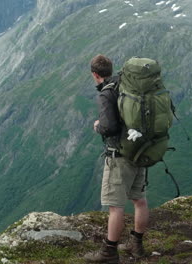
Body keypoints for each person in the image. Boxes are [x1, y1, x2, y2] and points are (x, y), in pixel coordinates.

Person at [83, 54, 149, 263]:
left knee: (115, 206)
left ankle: (109, 252)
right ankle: (136, 244)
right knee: (139, 199)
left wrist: (97, 126)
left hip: (120, 156)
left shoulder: (106, 93)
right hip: (139, 150)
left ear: (95, 75)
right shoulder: (127, 85)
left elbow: (109, 127)